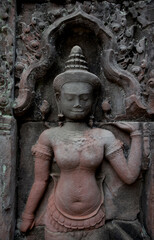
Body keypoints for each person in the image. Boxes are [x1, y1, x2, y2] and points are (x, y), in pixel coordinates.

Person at [20, 46, 142, 240]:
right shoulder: (50, 136)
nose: (78, 103)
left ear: (93, 101)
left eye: (84, 98)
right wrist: (28, 214)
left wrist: (136, 135)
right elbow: (40, 181)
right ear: (59, 100)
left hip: (95, 217)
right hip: (57, 216)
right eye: (70, 98)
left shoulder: (103, 136)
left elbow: (129, 176)